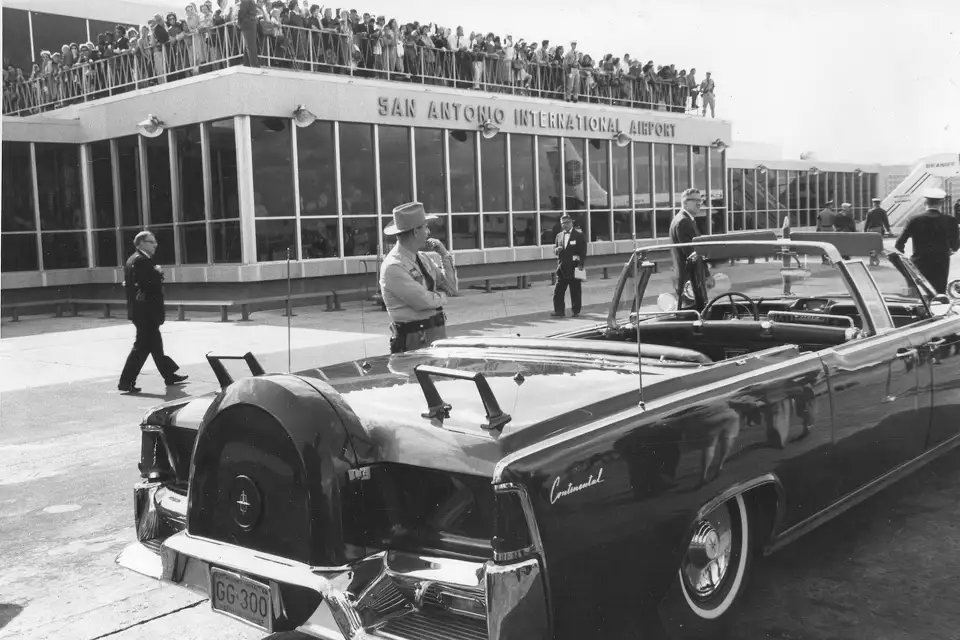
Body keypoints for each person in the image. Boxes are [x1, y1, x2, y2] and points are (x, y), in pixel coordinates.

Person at [379, 202, 458, 353]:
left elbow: (451, 287)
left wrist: (444, 255)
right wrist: (442, 295)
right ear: (416, 231)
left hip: (435, 335)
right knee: (415, 376)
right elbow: (423, 301)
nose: (428, 232)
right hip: (413, 341)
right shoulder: (393, 266)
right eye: (425, 227)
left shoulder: (422, 258)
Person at [118, 231, 188, 393]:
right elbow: (149, 285)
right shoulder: (142, 261)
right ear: (141, 243)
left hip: (141, 312)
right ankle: (125, 381)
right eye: (151, 242)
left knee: (155, 346)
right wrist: (158, 272)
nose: (155, 245)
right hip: (146, 314)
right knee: (141, 348)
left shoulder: (133, 260)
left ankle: (169, 374)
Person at [894, 188, 960, 294]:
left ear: (925, 202)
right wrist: (949, 251)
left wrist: (904, 258)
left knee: (919, 293)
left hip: (919, 262)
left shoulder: (914, 219)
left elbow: (899, 243)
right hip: (941, 263)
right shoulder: (950, 221)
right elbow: (956, 245)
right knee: (938, 294)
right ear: (941, 203)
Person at [669, 188, 703, 303]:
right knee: (694, 316)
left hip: (687, 281)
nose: (699, 203)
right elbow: (692, 254)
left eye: (700, 200)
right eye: (694, 200)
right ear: (685, 202)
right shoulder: (683, 222)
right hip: (690, 282)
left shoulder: (684, 219)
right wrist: (706, 275)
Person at [551, 213, 587, 317]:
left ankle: (576, 311)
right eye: (563, 223)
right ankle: (559, 311)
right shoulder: (559, 236)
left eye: (567, 223)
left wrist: (581, 265)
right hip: (562, 268)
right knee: (558, 291)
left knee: (575, 290)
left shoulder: (579, 236)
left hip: (575, 267)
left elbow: (583, 252)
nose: (565, 225)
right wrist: (556, 250)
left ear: (571, 223)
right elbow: (555, 250)